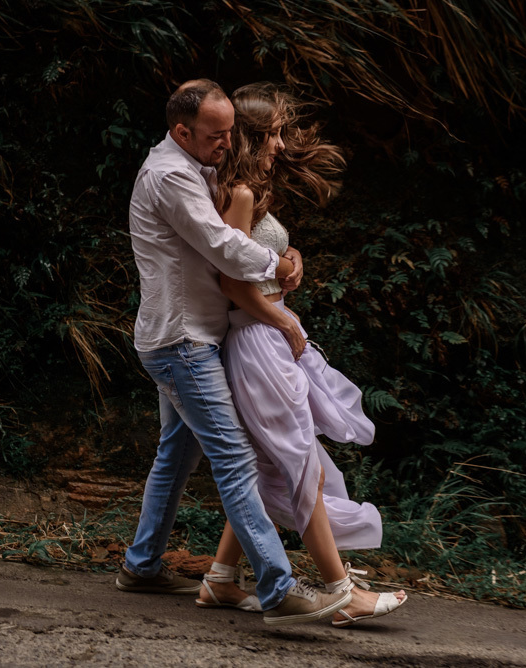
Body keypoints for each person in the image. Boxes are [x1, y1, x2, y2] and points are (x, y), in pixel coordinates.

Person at [119, 78, 353, 627]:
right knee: (236, 460)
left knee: (177, 455)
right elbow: (222, 246)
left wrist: (280, 251)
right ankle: (279, 589)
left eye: (231, 133)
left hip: (187, 335)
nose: (227, 143)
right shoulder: (171, 175)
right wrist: (279, 267)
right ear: (182, 131)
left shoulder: (195, 163)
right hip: (183, 342)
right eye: (216, 135)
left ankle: (141, 564)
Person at [193, 82, 406, 627]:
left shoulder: (247, 191)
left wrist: (289, 258)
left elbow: (251, 264)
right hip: (258, 341)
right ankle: (340, 591)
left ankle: (220, 579)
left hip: (266, 336)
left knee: (273, 463)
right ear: (254, 136)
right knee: (298, 462)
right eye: (274, 134)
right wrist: (282, 315)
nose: (282, 145)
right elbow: (230, 282)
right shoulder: (238, 193)